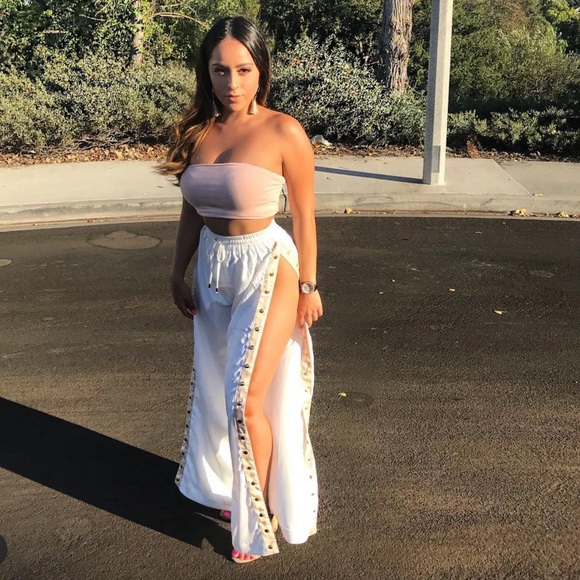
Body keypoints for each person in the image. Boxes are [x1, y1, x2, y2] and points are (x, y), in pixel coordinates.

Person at [158, 16, 323, 564]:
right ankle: (239, 488)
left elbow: (305, 216)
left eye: (244, 70)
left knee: (245, 399)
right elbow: (191, 209)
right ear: (206, 73)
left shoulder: (284, 132)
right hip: (213, 266)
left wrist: (309, 285)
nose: (232, 82)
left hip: (268, 265)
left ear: (261, 71)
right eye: (220, 70)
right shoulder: (196, 132)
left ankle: (261, 519)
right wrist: (177, 270)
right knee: (216, 391)